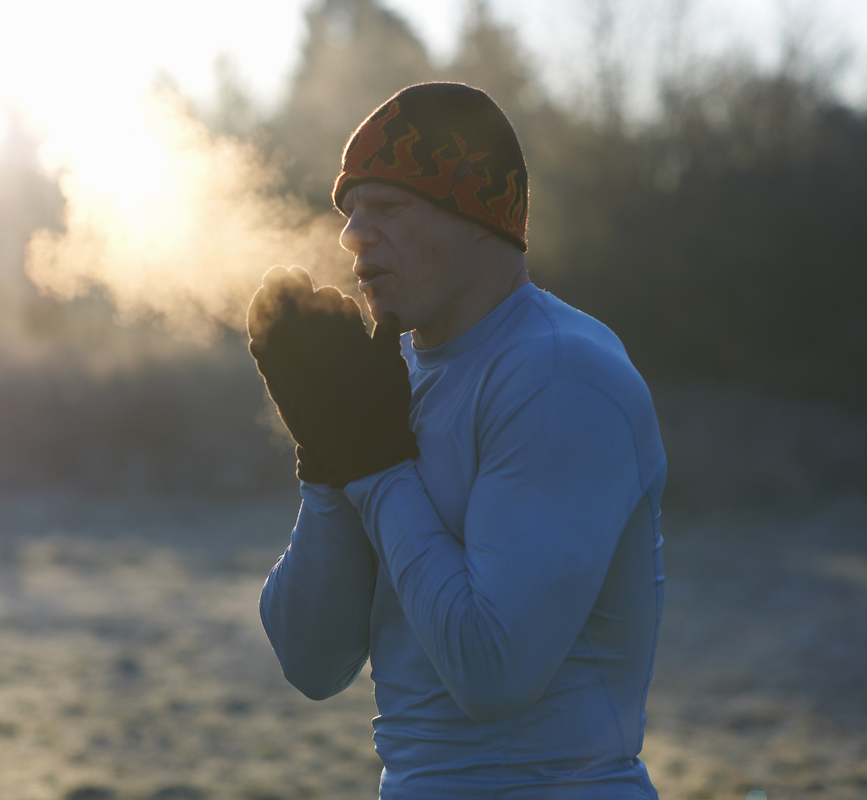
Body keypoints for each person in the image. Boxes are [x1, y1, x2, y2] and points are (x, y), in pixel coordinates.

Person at [247, 82, 667, 800]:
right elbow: (311, 663)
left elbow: (494, 671)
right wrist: (326, 458)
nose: (352, 236)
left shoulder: (560, 376)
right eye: (351, 212)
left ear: (475, 213)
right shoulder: (392, 379)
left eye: (387, 208)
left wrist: (374, 465)